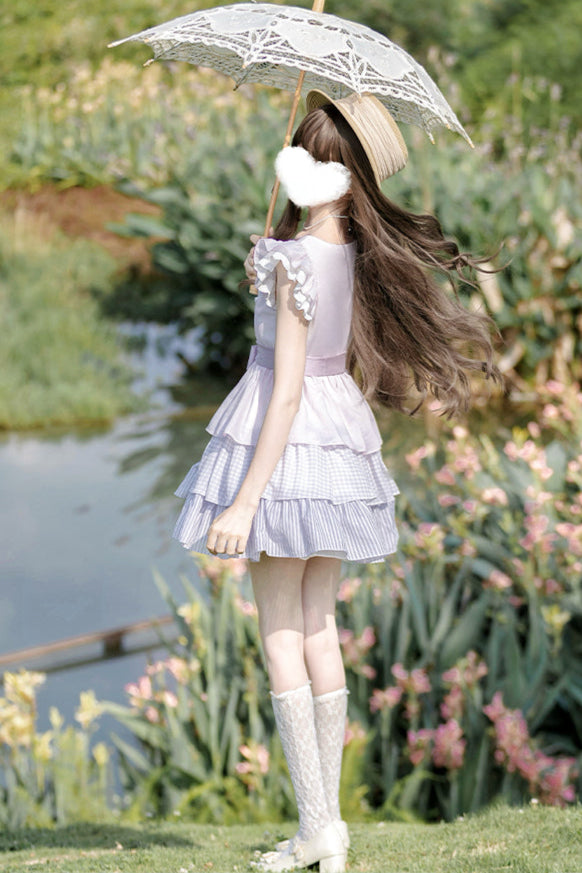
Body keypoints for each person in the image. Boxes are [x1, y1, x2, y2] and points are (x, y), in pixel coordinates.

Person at [172, 90, 499, 872]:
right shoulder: (344, 252)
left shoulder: (295, 260)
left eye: (316, 161)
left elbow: (283, 390)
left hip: (285, 442)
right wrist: (268, 272)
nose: (298, 169)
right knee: (319, 627)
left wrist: (245, 500)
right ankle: (328, 827)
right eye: (298, 154)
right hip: (336, 433)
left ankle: (317, 825)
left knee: (282, 631)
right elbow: (318, 346)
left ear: (347, 180)